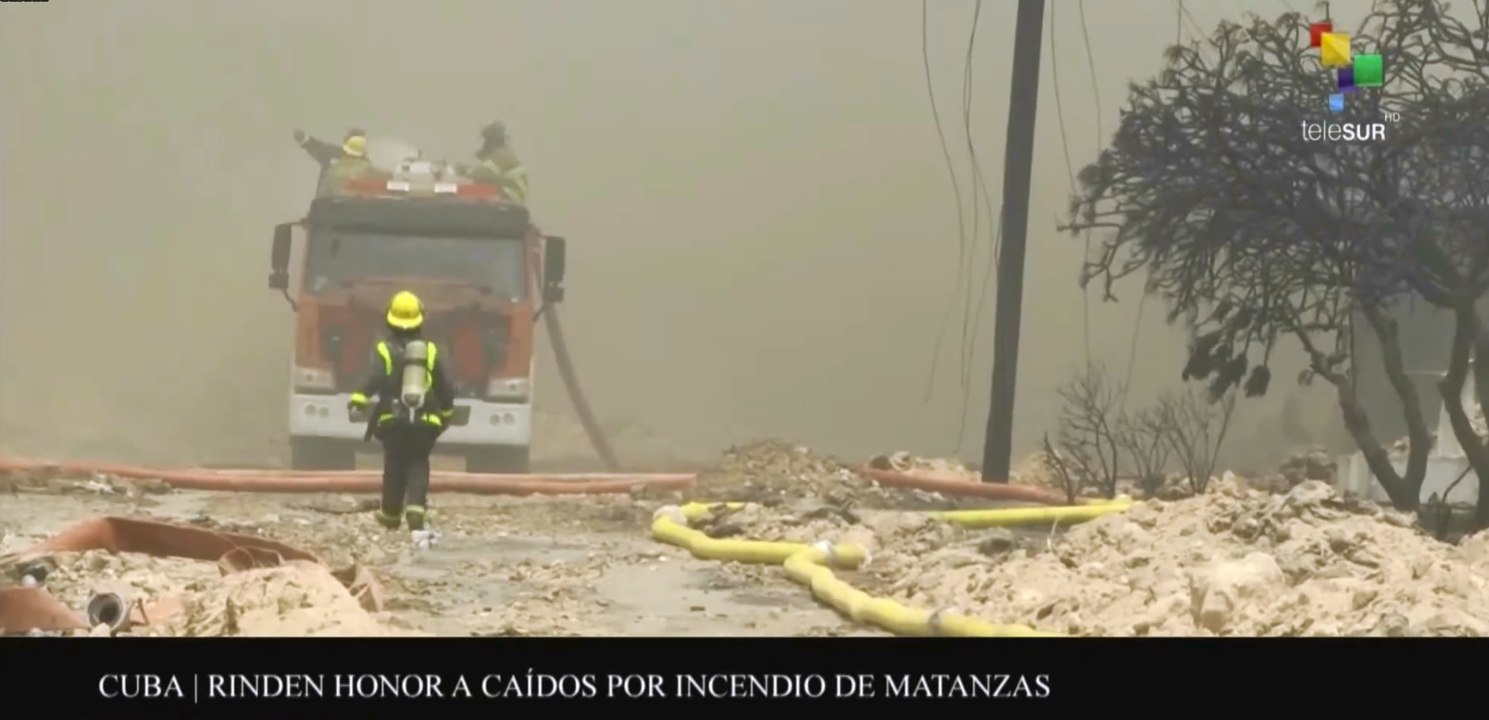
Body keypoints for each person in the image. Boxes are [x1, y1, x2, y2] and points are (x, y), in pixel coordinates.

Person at [347, 291, 457, 531]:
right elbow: (445, 386)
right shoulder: (430, 350)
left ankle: (390, 514)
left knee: (394, 464)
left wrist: (358, 399)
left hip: (392, 420)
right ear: (421, 319)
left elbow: (373, 378)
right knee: (418, 461)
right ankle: (416, 507)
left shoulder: (383, 350)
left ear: (389, 319)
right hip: (425, 420)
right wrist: (446, 416)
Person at [469, 121, 529, 204]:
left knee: (464, 191)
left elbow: (480, 174)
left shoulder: (500, 155)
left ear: (491, 140)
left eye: (487, 140)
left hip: (507, 196)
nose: (485, 144)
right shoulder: (505, 154)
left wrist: (462, 174)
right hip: (512, 197)